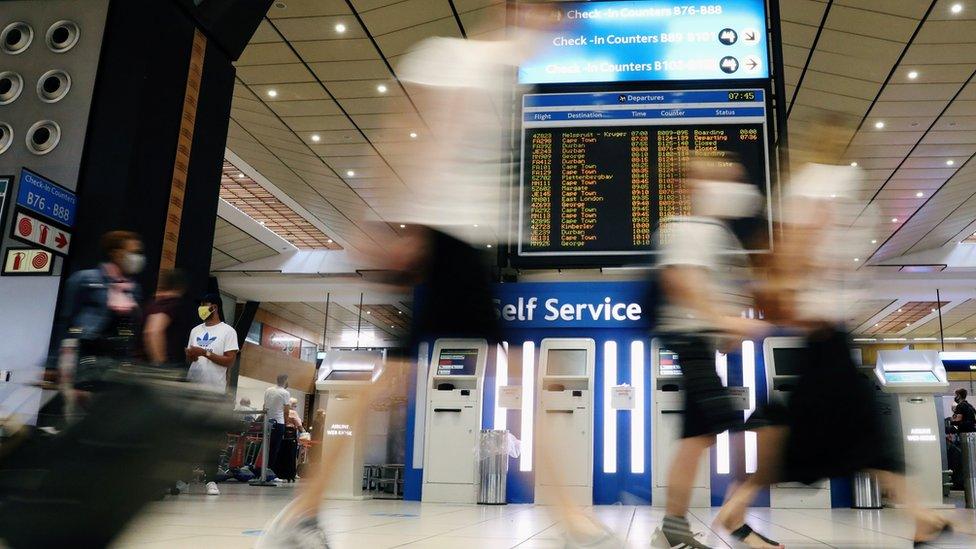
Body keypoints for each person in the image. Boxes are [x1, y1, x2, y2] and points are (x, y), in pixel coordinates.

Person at [715, 117, 954, 547]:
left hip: (826, 332)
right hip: (826, 332)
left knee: (836, 431)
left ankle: (736, 513)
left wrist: (789, 284)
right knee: (851, 431)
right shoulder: (828, 186)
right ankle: (921, 517)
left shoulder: (817, 184)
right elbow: (806, 247)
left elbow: (799, 247)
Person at [651, 155, 769, 549]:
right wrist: (725, 320)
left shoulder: (716, 232)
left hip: (698, 341)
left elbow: (710, 284)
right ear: (691, 186)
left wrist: (727, 324)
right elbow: (680, 280)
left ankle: (676, 528)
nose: (729, 186)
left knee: (700, 435)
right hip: (688, 340)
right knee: (726, 424)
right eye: (715, 178)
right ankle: (733, 521)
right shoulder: (688, 227)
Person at [61, 230, 145, 397]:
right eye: (133, 252)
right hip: (85, 357)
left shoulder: (134, 289)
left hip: (116, 363)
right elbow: (66, 321)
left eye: (139, 253)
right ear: (116, 253)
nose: (138, 257)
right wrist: (57, 364)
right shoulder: (85, 279)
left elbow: (130, 330)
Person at [185, 293, 239, 495]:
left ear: (214, 307)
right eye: (200, 305)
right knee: (189, 436)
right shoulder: (195, 330)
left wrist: (205, 352)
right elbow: (191, 357)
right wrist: (191, 354)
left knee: (212, 438)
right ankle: (183, 476)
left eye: (204, 305)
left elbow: (229, 361)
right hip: (193, 388)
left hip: (214, 391)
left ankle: (210, 480)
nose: (201, 309)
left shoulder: (227, 331)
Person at [143, 269, 193, 370]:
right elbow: (153, 331)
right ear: (181, 287)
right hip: (155, 368)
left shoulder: (154, 303)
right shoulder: (171, 303)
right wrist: (161, 365)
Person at [261, 374, 291, 480]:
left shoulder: (268, 390)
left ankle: (262, 471)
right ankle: (270, 472)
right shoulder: (285, 393)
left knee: (265, 447)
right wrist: (287, 423)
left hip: (267, 421)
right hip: (279, 422)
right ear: (286, 381)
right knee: (274, 448)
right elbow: (286, 411)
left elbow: (264, 406)